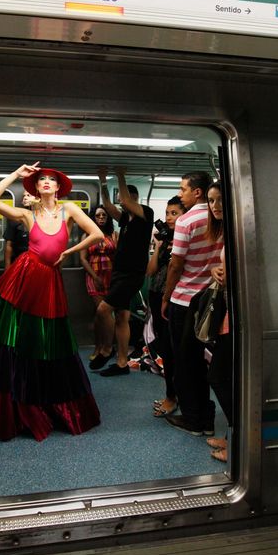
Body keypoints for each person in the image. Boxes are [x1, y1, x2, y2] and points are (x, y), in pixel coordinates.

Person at [0, 162, 103, 442]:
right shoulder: (27, 213)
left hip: (50, 279)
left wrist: (70, 251)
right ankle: (20, 407)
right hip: (25, 277)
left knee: (50, 340)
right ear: (35, 187)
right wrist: (15, 174)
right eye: (41, 180)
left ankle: (49, 404)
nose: (46, 182)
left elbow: (97, 233)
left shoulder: (70, 210)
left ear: (59, 187)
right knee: (19, 340)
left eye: (51, 179)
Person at [162, 171, 223, 436]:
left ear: (197, 192)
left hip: (185, 299)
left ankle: (194, 419)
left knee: (185, 362)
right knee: (200, 360)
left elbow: (176, 264)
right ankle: (206, 417)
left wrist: (166, 296)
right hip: (211, 298)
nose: (181, 194)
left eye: (183, 189)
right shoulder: (220, 218)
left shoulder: (187, 221)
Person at [91, 167, 154, 376]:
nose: (124, 201)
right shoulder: (125, 219)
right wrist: (102, 180)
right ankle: (122, 363)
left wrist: (119, 174)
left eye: (128, 197)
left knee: (102, 310)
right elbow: (109, 205)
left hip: (131, 275)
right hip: (120, 273)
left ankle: (108, 349)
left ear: (135, 199)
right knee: (121, 317)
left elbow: (126, 201)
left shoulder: (146, 213)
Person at [146, 197, 186, 417]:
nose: (169, 218)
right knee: (164, 348)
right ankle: (171, 394)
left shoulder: (183, 239)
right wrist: (158, 246)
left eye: (174, 213)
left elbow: (178, 268)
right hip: (155, 294)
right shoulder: (165, 239)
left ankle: (174, 397)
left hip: (171, 298)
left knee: (173, 352)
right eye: (168, 213)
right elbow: (150, 271)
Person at [203, 182, 231, 462]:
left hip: (236, 317)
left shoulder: (239, 232)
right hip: (228, 313)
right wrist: (215, 268)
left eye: (220, 199)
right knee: (225, 375)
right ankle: (234, 435)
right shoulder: (226, 232)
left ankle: (240, 442)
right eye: (211, 201)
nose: (215, 206)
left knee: (218, 376)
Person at [80, 205, 118, 360]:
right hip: (94, 276)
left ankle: (106, 347)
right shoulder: (87, 235)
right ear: (93, 218)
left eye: (104, 215)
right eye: (98, 216)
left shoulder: (113, 235)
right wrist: (95, 277)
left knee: (104, 313)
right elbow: (83, 259)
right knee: (100, 310)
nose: (101, 218)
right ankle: (98, 346)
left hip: (110, 275)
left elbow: (116, 256)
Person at [3, 190, 35, 270]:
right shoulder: (16, 218)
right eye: (24, 196)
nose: (25, 198)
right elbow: (9, 245)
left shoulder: (44, 218)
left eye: (28, 195)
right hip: (19, 261)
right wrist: (7, 267)